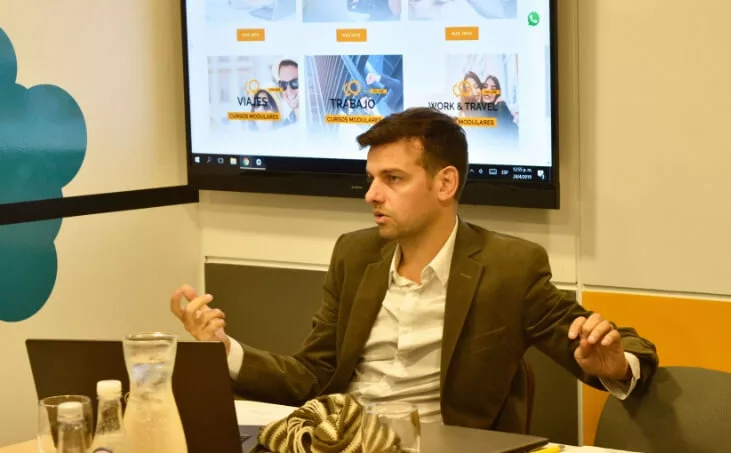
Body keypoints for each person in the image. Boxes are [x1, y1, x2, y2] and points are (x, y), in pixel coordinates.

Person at [170, 107, 658, 433]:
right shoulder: (354, 255)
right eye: (371, 179)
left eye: (393, 179)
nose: (372, 195)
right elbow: (313, 374)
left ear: (445, 184)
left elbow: (624, 349)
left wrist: (614, 364)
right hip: (344, 440)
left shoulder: (509, 267)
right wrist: (224, 350)